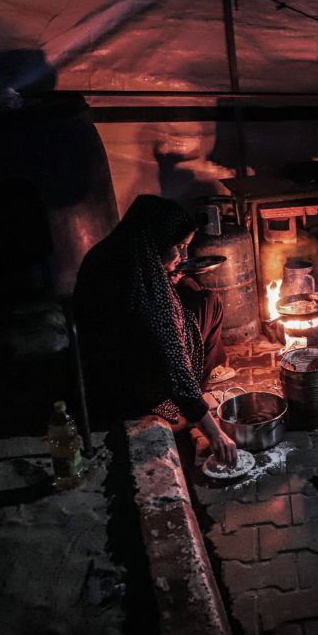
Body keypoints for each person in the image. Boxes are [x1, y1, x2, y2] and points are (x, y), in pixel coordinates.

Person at [74, 194, 237, 465]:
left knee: (194, 292)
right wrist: (215, 434)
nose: (183, 255)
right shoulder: (139, 286)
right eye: (179, 246)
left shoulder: (119, 250)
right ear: (158, 241)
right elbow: (169, 354)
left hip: (106, 364)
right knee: (209, 303)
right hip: (128, 385)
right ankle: (190, 409)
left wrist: (170, 275)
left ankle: (193, 402)